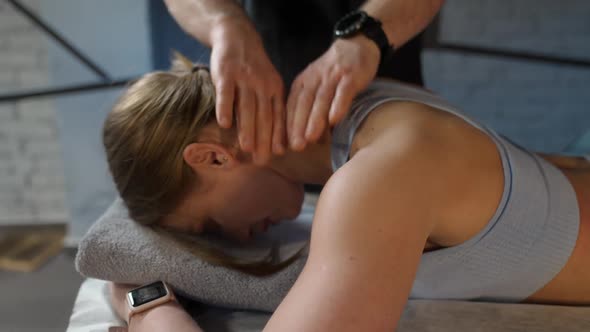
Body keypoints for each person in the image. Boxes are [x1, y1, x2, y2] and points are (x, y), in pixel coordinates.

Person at [104, 55, 589, 331]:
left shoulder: (376, 181)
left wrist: (149, 306)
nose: (231, 236)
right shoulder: (367, 96)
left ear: (211, 157)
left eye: (209, 224)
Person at [163, 0, 444, 165]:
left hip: (383, 98)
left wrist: (368, 36)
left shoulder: (380, 167)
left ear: (214, 158)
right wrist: (223, 24)